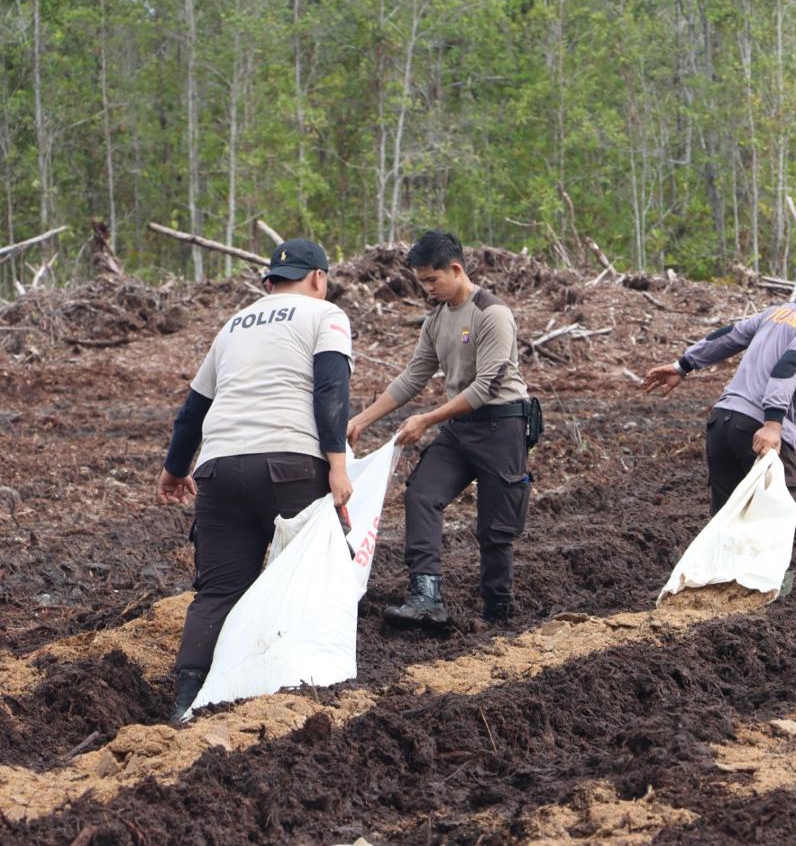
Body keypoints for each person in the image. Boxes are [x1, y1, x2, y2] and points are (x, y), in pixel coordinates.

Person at [157, 238, 353, 725]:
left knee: (218, 591)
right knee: (311, 575)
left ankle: (186, 701)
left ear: (268, 282)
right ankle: (303, 693)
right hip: (290, 466)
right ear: (319, 278)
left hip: (219, 470)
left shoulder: (232, 326)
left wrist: (175, 468)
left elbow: (193, 411)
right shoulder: (325, 316)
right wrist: (338, 465)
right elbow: (330, 389)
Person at [346, 230, 535, 627]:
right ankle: (426, 596)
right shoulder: (435, 320)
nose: (428, 290)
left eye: (433, 281)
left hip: (503, 424)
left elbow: (487, 386)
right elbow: (413, 376)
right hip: (460, 429)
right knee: (421, 494)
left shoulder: (491, 313)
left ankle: (497, 610)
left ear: (456, 269)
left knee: (495, 527)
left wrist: (428, 419)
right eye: (422, 283)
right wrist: (362, 420)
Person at [642, 280, 796, 535]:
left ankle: (723, 576)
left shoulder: (782, 311)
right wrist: (773, 424)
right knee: (786, 517)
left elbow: (730, 334)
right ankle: (780, 579)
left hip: (721, 422)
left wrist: (682, 365)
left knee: (727, 523)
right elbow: (790, 365)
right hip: (758, 428)